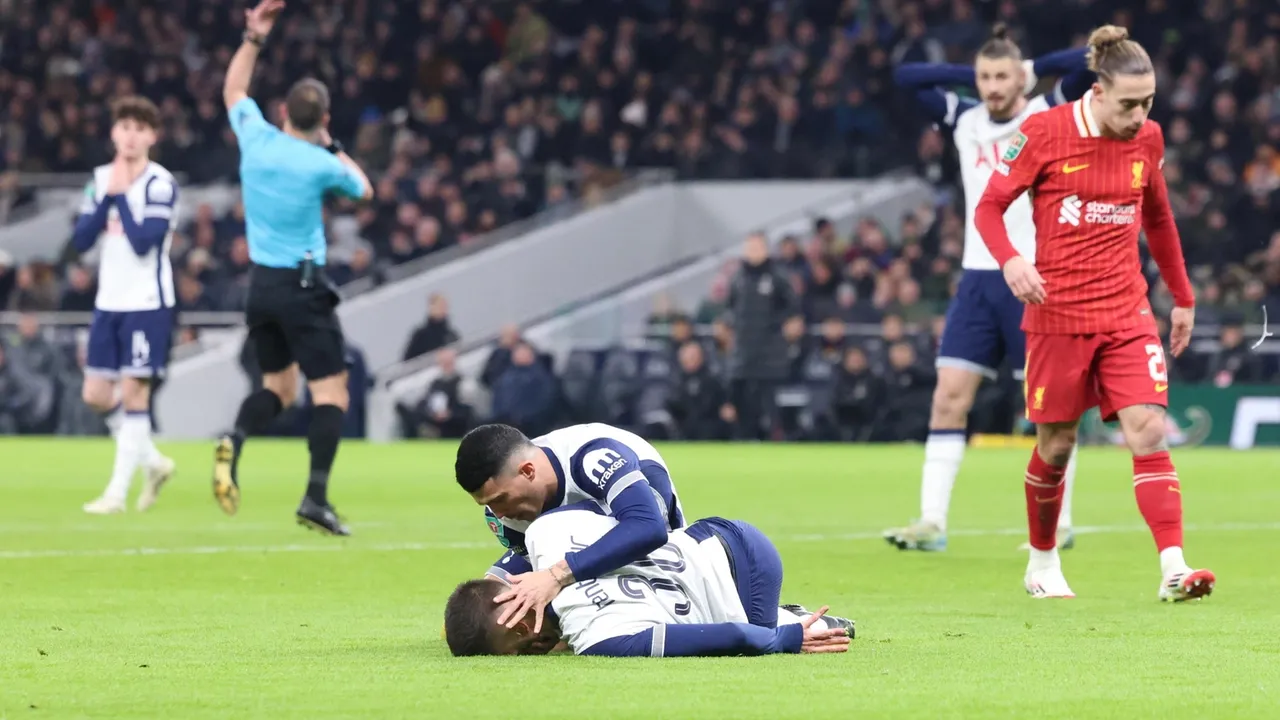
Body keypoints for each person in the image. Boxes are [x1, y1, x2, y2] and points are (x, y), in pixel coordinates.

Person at [974, 25, 1214, 601]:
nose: (1140, 115)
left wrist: (1182, 297)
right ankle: (1043, 559)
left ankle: (1174, 568)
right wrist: (1010, 261)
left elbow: (1158, 219)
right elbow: (989, 207)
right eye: (1130, 103)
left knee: (1149, 429)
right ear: (1098, 92)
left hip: (1126, 311)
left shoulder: (1148, 140)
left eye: (1148, 102)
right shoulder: (1044, 132)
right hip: (1056, 316)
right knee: (1056, 445)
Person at [884, 27, 1095, 553]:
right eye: (986, 77)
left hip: (1034, 277)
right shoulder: (964, 118)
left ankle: (1060, 523)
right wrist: (969, 76)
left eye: (1003, 76)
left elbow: (1095, 60)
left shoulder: (1046, 108)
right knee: (948, 399)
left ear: (1021, 76)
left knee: (1049, 409)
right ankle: (931, 522)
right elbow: (905, 77)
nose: (995, 87)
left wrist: (1034, 65)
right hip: (979, 278)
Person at [212, 0, 373, 535]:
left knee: (278, 390)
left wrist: (254, 38)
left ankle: (234, 437)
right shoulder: (321, 163)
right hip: (303, 288)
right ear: (322, 118)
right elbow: (363, 189)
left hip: (260, 287)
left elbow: (234, 91)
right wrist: (333, 144)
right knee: (331, 392)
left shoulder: (256, 139)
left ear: (282, 112)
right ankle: (315, 498)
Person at [453, 422, 827, 635]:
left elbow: (648, 528)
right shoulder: (506, 510)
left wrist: (557, 574)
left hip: (654, 541)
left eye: (499, 499)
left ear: (529, 472)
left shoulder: (593, 457)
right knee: (491, 603)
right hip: (582, 545)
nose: (497, 513)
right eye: (487, 505)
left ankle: (785, 616)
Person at [444, 505, 854, 657]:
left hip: (743, 586)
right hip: (717, 532)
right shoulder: (545, 532)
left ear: (518, 625)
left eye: (519, 651)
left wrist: (784, 640)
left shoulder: (597, 638)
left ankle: (799, 622)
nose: (535, 652)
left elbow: (732, 636)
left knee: (761, 637)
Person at [72, 95, 178, 515]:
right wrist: (107, 197)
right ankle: (152, 461)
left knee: (135, 392)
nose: (131, 137)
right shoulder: (98, 179)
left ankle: (116, 493)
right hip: (108, 301)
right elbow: (80, 240)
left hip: (146, 302)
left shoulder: (160, 183)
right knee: (96, 394)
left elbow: (142, 243)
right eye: (124, 127)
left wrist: (118, 198)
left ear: (153, 136)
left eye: (140, 129)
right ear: (114, 133)